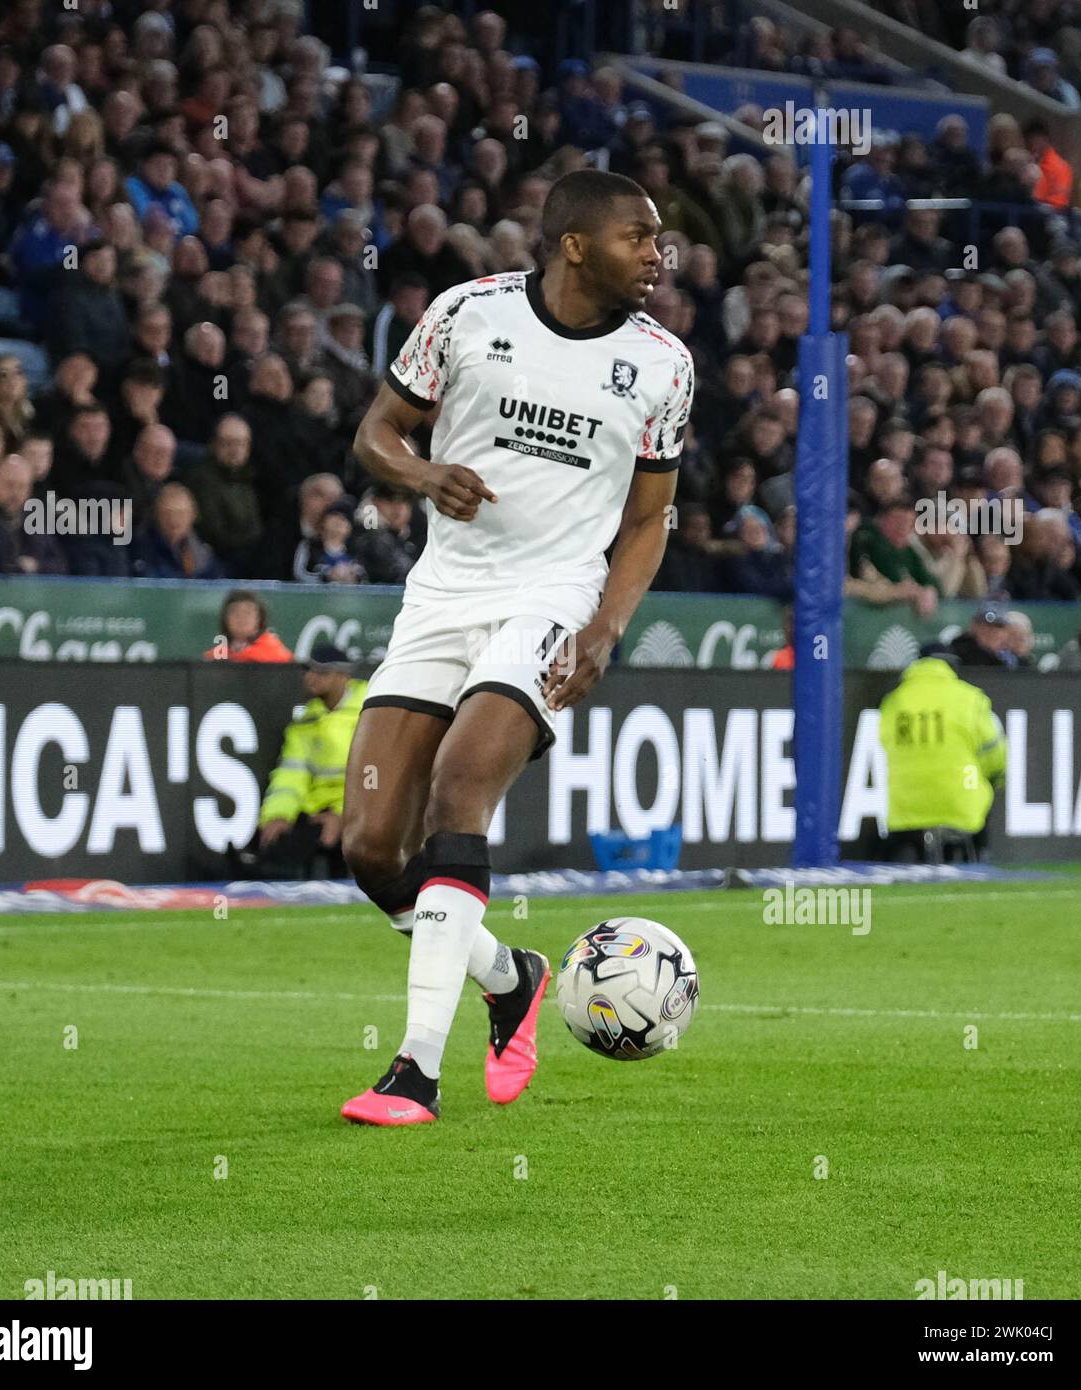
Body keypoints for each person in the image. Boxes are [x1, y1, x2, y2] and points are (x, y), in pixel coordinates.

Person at [339, 168, 693, 1125]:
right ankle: (509, 976)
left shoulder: (664, 365)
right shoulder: (466, 313)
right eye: (639, 236)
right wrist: (421, 474)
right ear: (574, 243)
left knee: (461, 790)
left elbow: (651, 516)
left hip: (553, 597)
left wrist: (606, 624)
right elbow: (374, 433)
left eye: (658, 239)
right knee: (370, 846)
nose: (657, 254)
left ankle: (415, 1068)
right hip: (442, 597)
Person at [239, 643, 367, 879]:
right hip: (316, 812)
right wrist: (278, 815)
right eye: (308, 670)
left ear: (343, 676)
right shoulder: (306, 720)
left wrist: (344, 815)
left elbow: (379, 777)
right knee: (269, 845)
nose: (310, 677)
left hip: (362, 812)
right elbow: (290, 777)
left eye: (321, 672)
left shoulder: (371, 712)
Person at [879, 654, 1007, 862]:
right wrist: (996, 779)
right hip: (960, 802)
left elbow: (882, 744)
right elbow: (995, 754)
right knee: (975, 782)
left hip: (906, 807)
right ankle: (980, 859)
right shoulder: (970, 698)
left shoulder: (893, 700)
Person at [205, 590, 293, 663]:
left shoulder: (275, 652)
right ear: (225, 618)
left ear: (259, 618)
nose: (241, 617)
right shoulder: (216, 656)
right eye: (234, 611)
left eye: (248, 612)